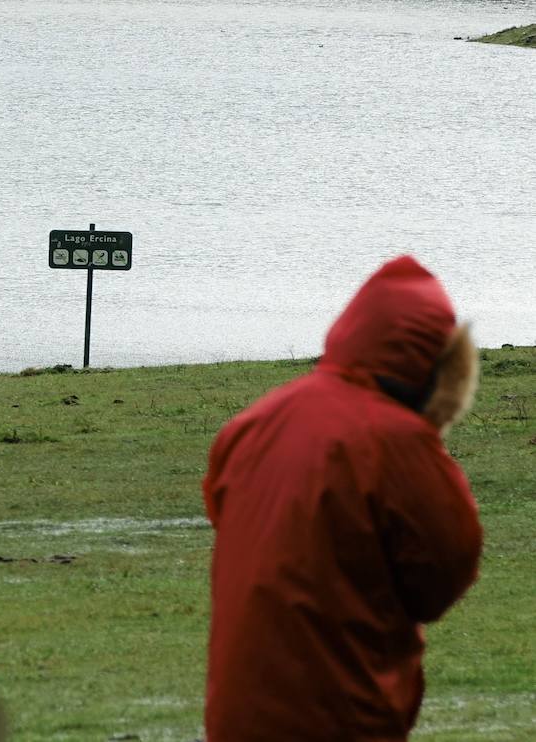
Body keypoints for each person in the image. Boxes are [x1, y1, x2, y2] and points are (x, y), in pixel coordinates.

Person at [203, 255, 482, 742]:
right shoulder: (398, 443)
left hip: (236, 712)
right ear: (439, 369)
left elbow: (223, 512)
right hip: (340, 713)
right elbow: (443, 573)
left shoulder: (255, 422)